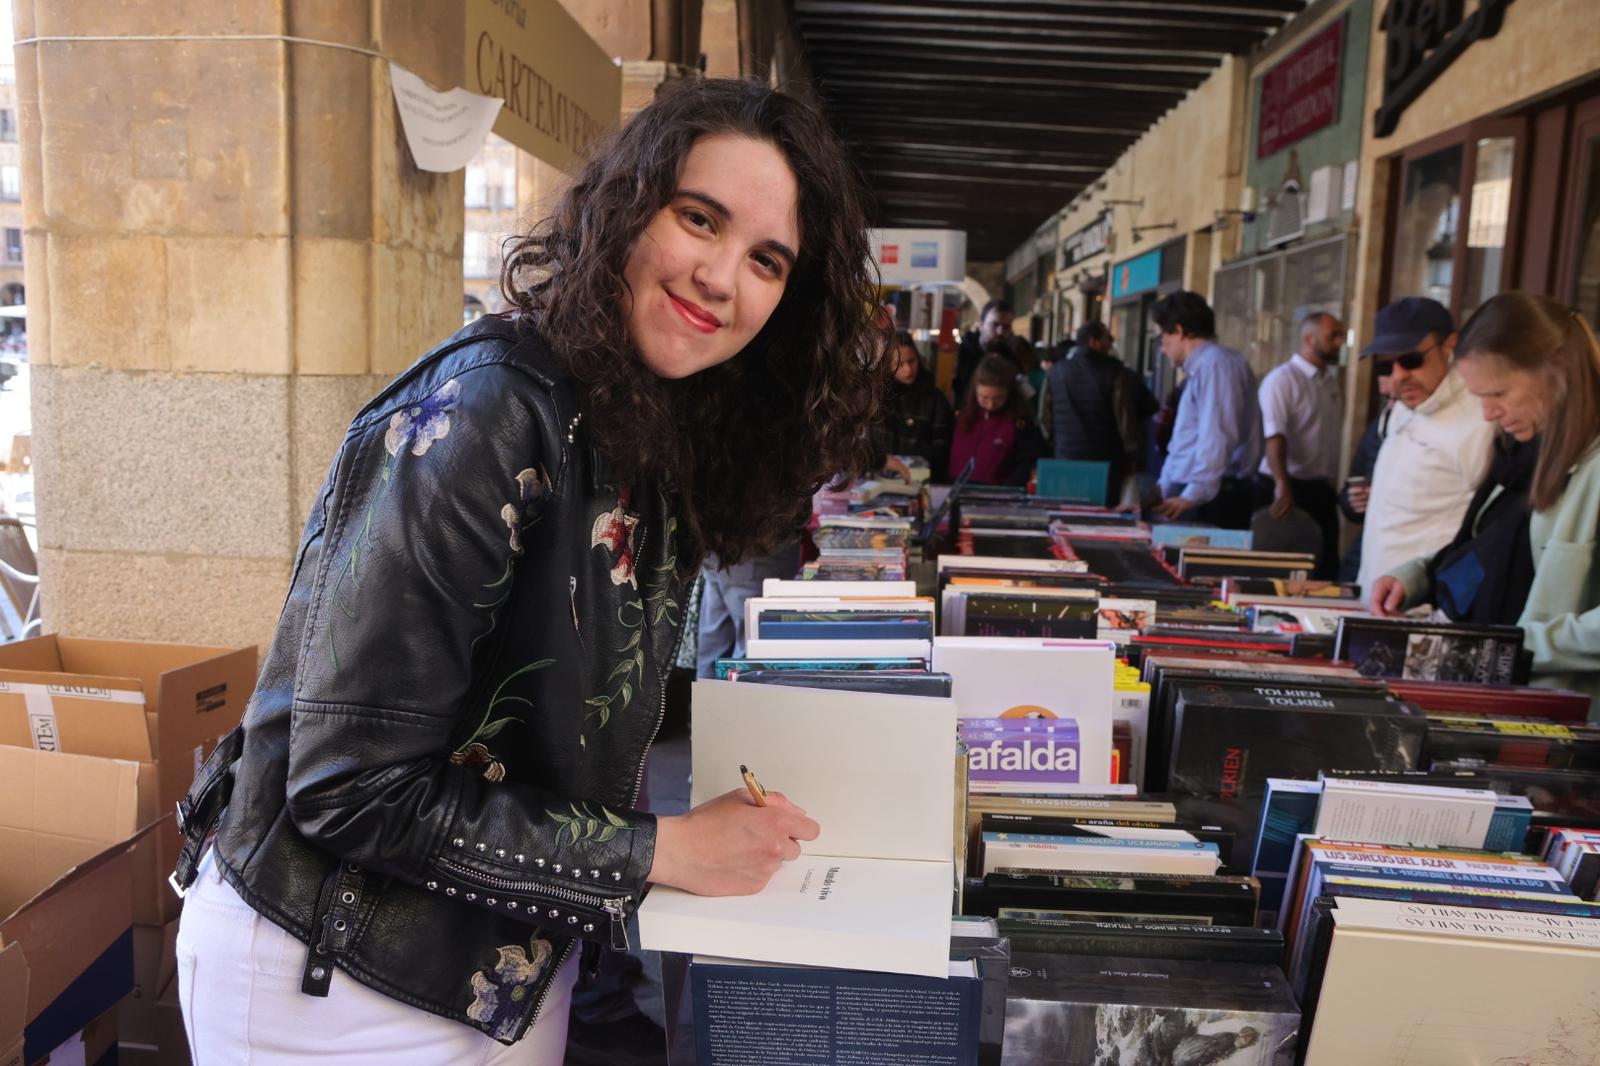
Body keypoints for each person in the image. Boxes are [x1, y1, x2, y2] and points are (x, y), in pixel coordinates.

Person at [168, 79, 883, 1062]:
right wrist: (663, 850)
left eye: (767, 260)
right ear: (625, 208)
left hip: (496, 967)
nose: (722, 277)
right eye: (699, 218)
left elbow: (561, 685)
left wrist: (791, 721)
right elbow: (349, 785)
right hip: (334, 980)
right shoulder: (488, 408)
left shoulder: (643, 415)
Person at [1386, 293, 1600, 711]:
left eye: (1498, 393)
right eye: (1479, 396)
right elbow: (1488, 548)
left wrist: (1518, 645)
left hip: (1567, 715)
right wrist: (1417, 577)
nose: (1487, 414)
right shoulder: (1523, 449)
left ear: (1556, 370)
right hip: (1505, 698)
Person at [1356, 297, 1495, 594]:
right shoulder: (1402, 408)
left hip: (1423, 606)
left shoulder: (1479, 421)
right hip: (1375, 596)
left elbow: (1486, 533)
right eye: (1386, 366)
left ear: (1450, 345)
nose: (1398, 376)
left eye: (1411, 360)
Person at [1151, 291, 1264, 528]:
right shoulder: (1202, 368)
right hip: (1196, 493)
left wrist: (1192, 495)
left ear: (1179, 331)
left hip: (1212, 497)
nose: (1162, 348)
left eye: (1163, 337)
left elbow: (1218, 436)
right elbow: (1186, 441)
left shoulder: (1217, 365)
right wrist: (1162, 490)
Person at [1257, 312, 1345, 578]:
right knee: (1284, 573)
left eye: (1341, 335)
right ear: (1309, 339)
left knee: (1324, 571)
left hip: (1320, 490)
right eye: (1333, 336)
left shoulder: (1330, 381)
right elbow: (1274, 435)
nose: (1339, 342)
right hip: (1285, 488)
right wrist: (1282, 485)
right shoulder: (1283, 380)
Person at [1049, 321, 1157, 506]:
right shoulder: (1114, 372)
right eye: (1107, 338)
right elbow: (1124, 418)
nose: (1112, 342)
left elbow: (1045, 417)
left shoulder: (1055, 371)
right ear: (1093, 341)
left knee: (1067, 508)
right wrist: (1133, 454)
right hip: (1105, 458)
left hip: (1066, 455)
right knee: (1104, 511)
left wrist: (1057, 444)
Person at [949, 354, 1046, 487]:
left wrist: (1007, 489)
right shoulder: (962, 416)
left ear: (1009, 394)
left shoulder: (1021, 423)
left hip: (999, 493)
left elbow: (1028, 463)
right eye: (984, 398)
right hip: (957, 489)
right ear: (975, 391)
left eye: (998, 398)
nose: (990, 405)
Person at [872, 330, 955, 481]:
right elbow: (867, 444)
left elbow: (942, 450)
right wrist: (883, 460)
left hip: (922, 479)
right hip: (880, 480)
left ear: (919, 359)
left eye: (912, 361)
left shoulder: (936, 400)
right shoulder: (878, 398)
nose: (908, 369)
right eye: (899, 364)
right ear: (887, 365)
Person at [1336, 372, 1394, 584]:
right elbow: (1349, 487)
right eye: (1387, 398)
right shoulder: (1377, 429)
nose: (1392, 406)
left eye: (1398, 399)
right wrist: (1354, 501)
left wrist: (1380, 498)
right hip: (1367, 543)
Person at [952, 299, 1016, 403]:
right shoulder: (959, 354)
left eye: (1006, 327)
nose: (1000, 332)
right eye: (995, 325)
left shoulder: (1011, 360)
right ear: (981, 326)